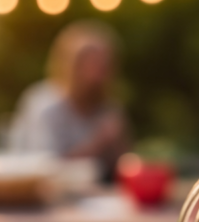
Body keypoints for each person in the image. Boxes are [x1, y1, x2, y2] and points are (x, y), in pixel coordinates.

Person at [7, 21, 129, 177]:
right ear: (70, 64)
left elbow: (125, 166)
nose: (98, 72)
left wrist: (119, 145)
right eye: (91, 62)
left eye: (104, 63)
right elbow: (45, 168)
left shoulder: (108, 108)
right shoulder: (44, 105)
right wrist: (98, 143)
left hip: (96, 190)